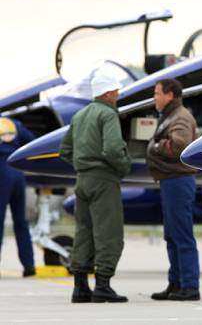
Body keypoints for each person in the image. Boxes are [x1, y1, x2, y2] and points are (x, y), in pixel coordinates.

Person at [60, 73, 131, 303]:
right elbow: (112, 149)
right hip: (104, 181)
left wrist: (82, 166)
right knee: (108, 233)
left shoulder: (80, 115)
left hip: (82, 181)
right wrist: (123, 167)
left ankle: (80, 288)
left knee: (84, 232)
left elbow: (65, 150)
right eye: (116, 91)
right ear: (108, 93)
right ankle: (103, 286)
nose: (118, 95)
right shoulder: (108, 114)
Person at [147, 78, 200, 301]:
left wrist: (155, 146)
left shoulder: (180, 117)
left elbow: (179, 145)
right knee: (172, 235)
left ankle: (190, 286)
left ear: (169, 95)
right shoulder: (169, 116)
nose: (154, 98)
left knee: (182, 235)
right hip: (170, 181)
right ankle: (176, 283)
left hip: (178, 180)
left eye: (157, 93)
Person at [0, 117, 36, 277]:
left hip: (1, 174)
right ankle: (29, 266)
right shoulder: (14, 124)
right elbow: (32, 142)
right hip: (18, 175)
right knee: (21, 222)